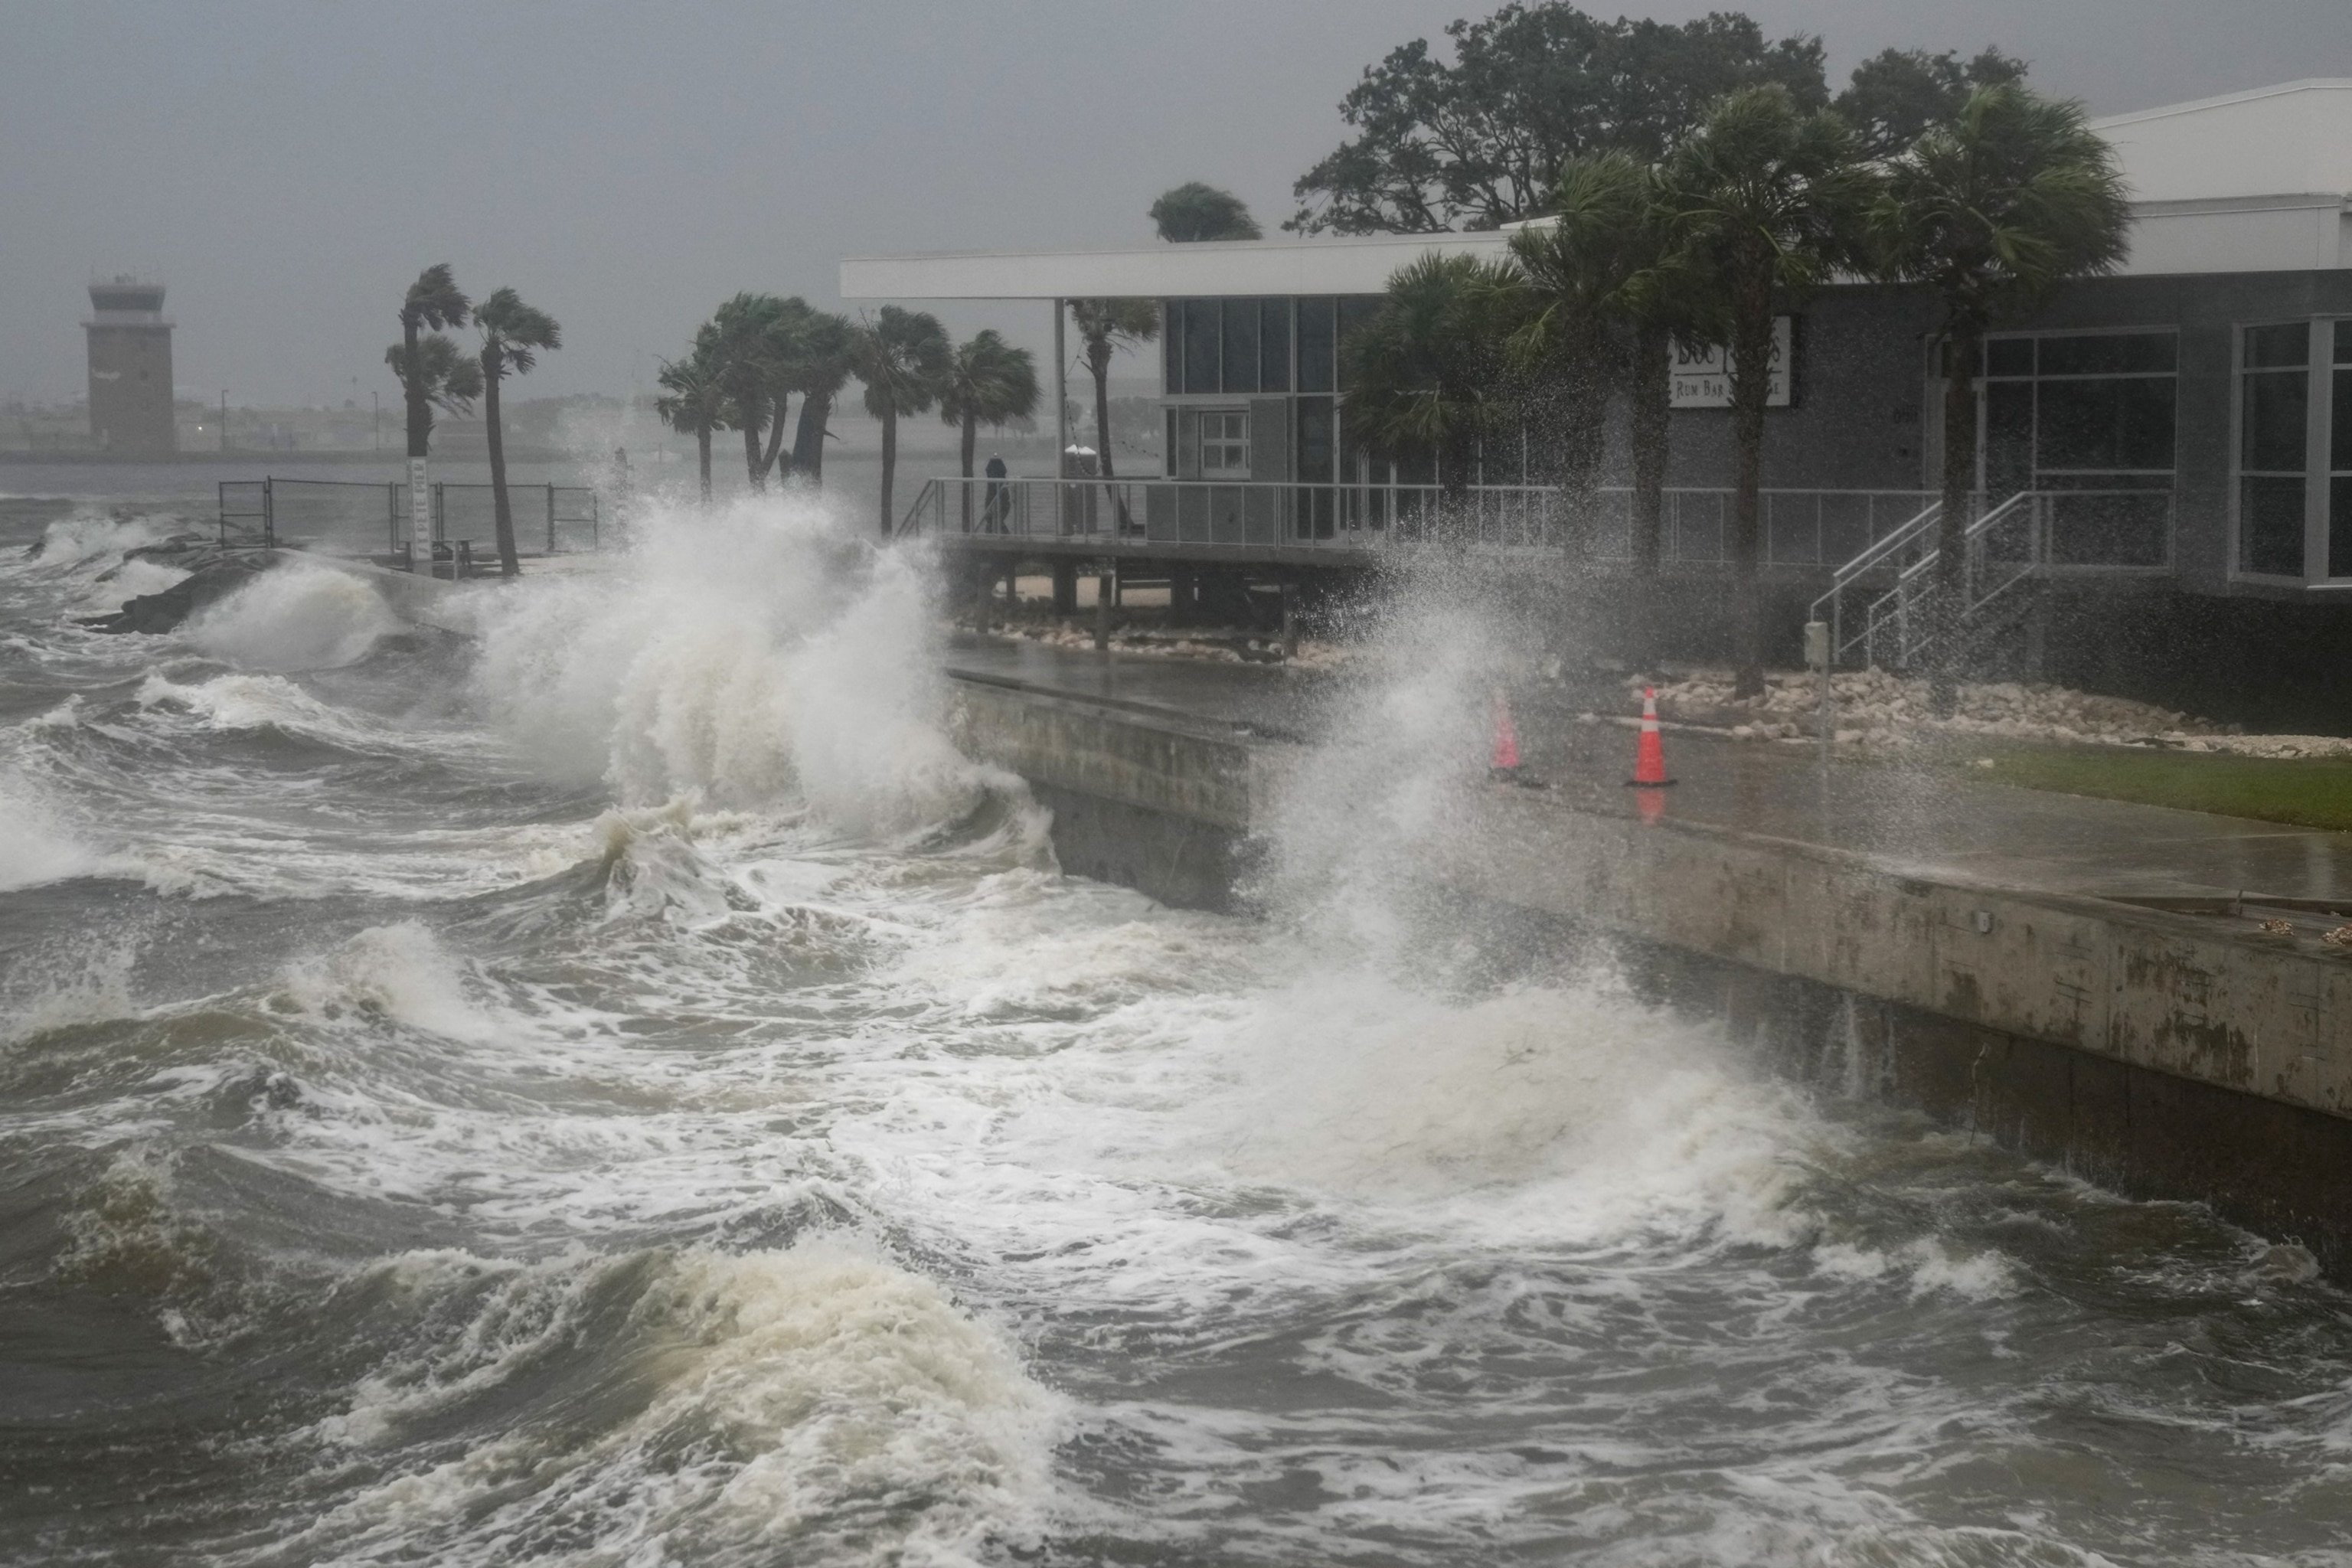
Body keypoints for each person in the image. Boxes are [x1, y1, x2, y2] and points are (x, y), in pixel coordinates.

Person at [982, 452, 1008, 533]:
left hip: (993, 498)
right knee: (997, 519)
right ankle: (1003, 533)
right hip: (1001, 498)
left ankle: (992, 533)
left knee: (991, 519)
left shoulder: (991, 474)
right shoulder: (1002, 477)